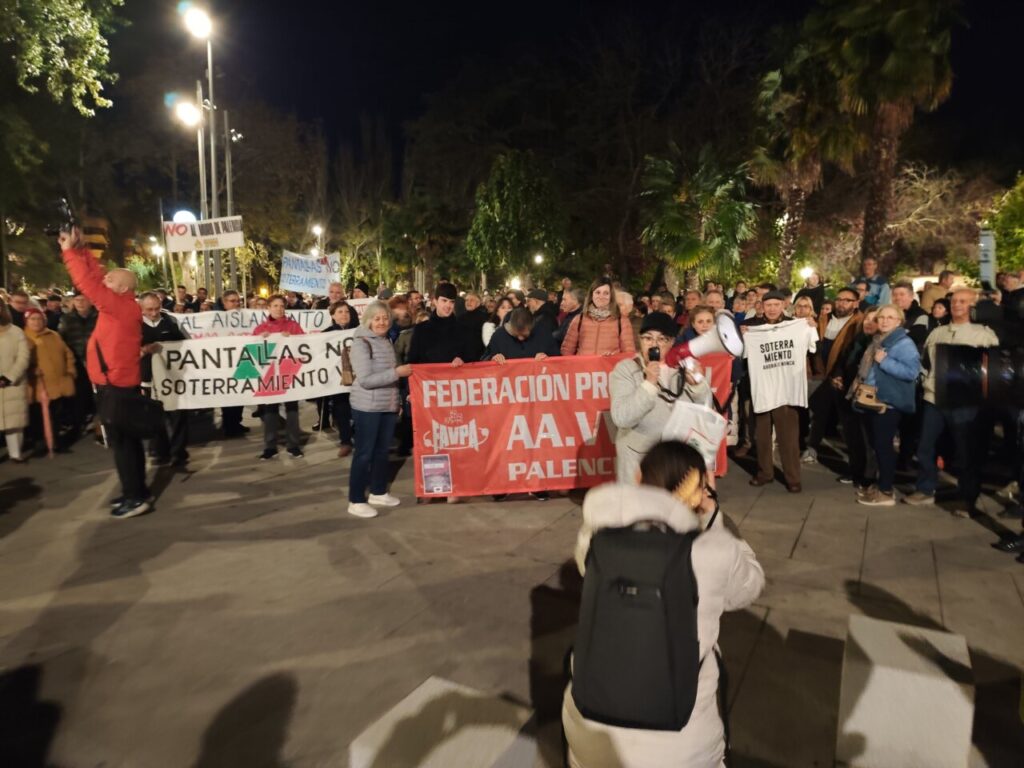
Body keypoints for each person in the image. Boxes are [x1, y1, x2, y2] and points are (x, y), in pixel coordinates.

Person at [563, 441, 765, 768]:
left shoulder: (598, 536)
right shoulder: (712, 551)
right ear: (700, 490)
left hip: (591, 737)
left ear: (639, 477)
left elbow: (585, 564)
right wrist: (714, 516)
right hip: (684, 748)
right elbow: (748, 587)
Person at [60, 227, 151, 518]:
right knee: (129, 443)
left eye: (112, 278)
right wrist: (83, 248)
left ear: (123, 288)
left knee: (122, 446)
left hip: (116, 387)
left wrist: (69, 253)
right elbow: (96, 277)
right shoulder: (122, 305)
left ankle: (135, 498)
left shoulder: (118, 307)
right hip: (118, 384)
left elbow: (88, 284)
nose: (105, 277)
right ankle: (137, 491)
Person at [903, 288, 999, 515]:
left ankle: (967, 499)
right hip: (934, 398)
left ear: (971, 306)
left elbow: (992, 369)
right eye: (954, 301)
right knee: (926, 447)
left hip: (965, 403)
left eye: (963, 301)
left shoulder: (983, 335)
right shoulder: (937, 333)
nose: (957, 305)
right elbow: (925, 362)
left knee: (966, 452)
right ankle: (926, 489)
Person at [610, 311, 710, 484]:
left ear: (671, 342)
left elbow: (706, 412)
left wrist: (698, 385)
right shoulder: (626, 369)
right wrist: (648, 384)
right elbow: (622, 418)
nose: (654, 344)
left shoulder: (684, 366)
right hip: (639, 459)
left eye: (662, 339)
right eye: (648, 338)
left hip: (676, 460)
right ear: (639, 340)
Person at [744, 290, 818, 493]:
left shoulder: (797, 325)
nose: (772, 309)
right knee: (761, 436)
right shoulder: (752, 328)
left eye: (776, 305)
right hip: (763, 389)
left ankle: (793, 477)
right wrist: (743, 335)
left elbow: (812, 349)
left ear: (784, 305)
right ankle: (765, 473)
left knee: (788, 438)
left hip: (786, 391)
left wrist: (810, 327)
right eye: (768, 305)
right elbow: (740, 353)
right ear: (762, 306)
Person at [848, 305, 921, 506]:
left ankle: (886, 491)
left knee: (883, 447)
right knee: (877, 446)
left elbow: (912, 372)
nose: (885, 321)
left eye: (890, 317)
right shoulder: (879, 339)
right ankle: (881, 486)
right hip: (871, 399)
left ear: (899, 321)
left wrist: (886, 361)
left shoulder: (903, 342)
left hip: (887, 402)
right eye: (881, 317)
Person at [346, 301, 413, 519]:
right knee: (364, 453)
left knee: (382, 451)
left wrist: (397, 402)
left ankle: (378, 491)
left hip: (386, 405)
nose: (382, 322)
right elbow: (365, 380)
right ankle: (356, 499)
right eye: (377, 318)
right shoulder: (361, 343)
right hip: (367, 406)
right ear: (368, 320)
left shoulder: (385, 341)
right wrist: (397, 373)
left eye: (385, 318)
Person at [805, 288, 863, 467]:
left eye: (847, 300)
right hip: (822, 375)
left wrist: (841, 374)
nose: (842, 303)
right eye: (839, 299)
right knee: (819, 413)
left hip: (843, 377)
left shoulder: (859, 323)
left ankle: (856, 463)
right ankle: (812, 449)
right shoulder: (824, 320)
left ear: (856, 303)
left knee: (848, 420)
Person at [138, 293, 190, 468]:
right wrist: (144, 350)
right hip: (148, 380)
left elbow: (188, 344)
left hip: (173, 378)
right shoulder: (134, 325)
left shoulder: (172, 322)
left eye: (156, 308)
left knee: (178, 415)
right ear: (141, 309)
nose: (153, 313)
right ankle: (160, 451)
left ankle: (178, 452)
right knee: (155, 417)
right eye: (149, 310)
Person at [253, 295, 305, 460]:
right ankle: (270, 446)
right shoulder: (260, 328)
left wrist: (293, 339)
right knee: (269, 411)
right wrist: (260, 340)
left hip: (289, 373)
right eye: (275, 305)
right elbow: (252, 352)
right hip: (269, 376)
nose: (279, 309)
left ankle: (293, 445)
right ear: (268, 308)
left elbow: (306, 345)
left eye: (281, 306)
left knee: (292, 410)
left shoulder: (293, 326)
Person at [23, 307, 75, 456]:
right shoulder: (23, 337)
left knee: (56, 415)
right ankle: (40, 443)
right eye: (33, 319)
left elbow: (67, 354)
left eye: (39, 318)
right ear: (27, 321)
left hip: (57, 383)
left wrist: (70, 370)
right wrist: (31, 371)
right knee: (38, 417)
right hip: (38, 385)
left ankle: (55, 442)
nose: (36, 322)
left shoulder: (54, 335)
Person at [561, 278, 636, 357]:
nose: (601, 296)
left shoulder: (622, 321)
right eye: (598, 292)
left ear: (611, 296)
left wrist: (614, 357)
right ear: (592, 295)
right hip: (584, 368)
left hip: (611, 368)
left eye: (606, 293)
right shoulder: (579, 319)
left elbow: (629, 353)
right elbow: (566, 351)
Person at [58, 292, 98, 439]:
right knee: (79, 395)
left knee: (97, 394)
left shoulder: (99, 317)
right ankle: (78, 424)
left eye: (83, 299)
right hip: (77, 362)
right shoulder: (67, 319)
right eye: (77, 300)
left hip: (96, 361)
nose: (80, 303)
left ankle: (97, 423)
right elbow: (62, 340)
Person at [407, 283, 470, 366]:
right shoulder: (420, 330)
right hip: (427, 377)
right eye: (444, 300)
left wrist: (462, 359)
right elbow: (412, 363)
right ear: (435, 301)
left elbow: (472, 359)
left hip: (455, 377)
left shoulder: (463, 330)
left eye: (452, 302)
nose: (448, 305)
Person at [327, 300, 360, 456]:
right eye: (340, 312)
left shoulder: (358, 331)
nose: (344, 315)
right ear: (333, 315)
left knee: (358, 408)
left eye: (346, 311)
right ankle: (345, 441)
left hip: (357, 377)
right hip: (337, 379)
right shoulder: (326, 334)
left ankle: (359, 438)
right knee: (342, 410)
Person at [0, 302, 32, 462]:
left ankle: (15, 454)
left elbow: (23, 357)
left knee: (14, 422)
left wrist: (10, 377)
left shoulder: (16, 332)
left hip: (13, 384)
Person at [483, 307, 559, 363]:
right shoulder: (499, 335)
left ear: (532, 326)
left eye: (524, 335)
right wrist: (492, 359)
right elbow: (484, 360)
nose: (520, 338)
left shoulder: (543, 333)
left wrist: (547, 358)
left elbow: (558, 359)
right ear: (511, 326)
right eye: (516, 334)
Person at [890, 281, 929, 347]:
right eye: (894, 295)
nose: (897, 298)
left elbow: (915, 338)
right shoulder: (889, 313)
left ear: (911, 296)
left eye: (902, 294)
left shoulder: (921, 315)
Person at [458, 290, 489, 361]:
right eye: (466, 300)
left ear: (478, 303)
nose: (468, 302)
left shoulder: (484, 318)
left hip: (480, 359)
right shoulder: (460, 318)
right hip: (462, 360)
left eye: (472, 300)